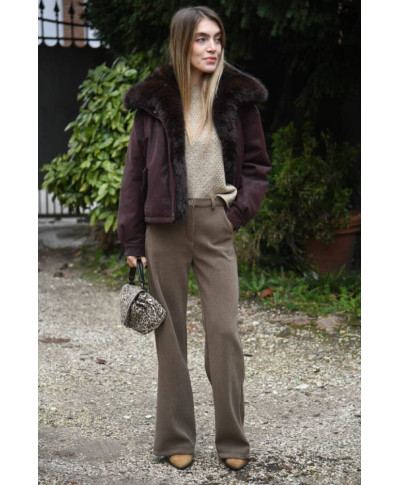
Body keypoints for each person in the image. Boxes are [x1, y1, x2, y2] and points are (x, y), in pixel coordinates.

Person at [117, 5, 271, 472]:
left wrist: (235, 214)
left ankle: (233, 440)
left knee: (224, 331)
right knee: (170, 337)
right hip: (164, 228)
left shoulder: (237, 98)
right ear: (182, 43)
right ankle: (175, 437)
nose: (212, 48)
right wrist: (132, 242)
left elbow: (256, 167)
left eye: (217, 38)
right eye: (202, 39)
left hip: (214, 225)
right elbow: (134, 177)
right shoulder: (154, 104)